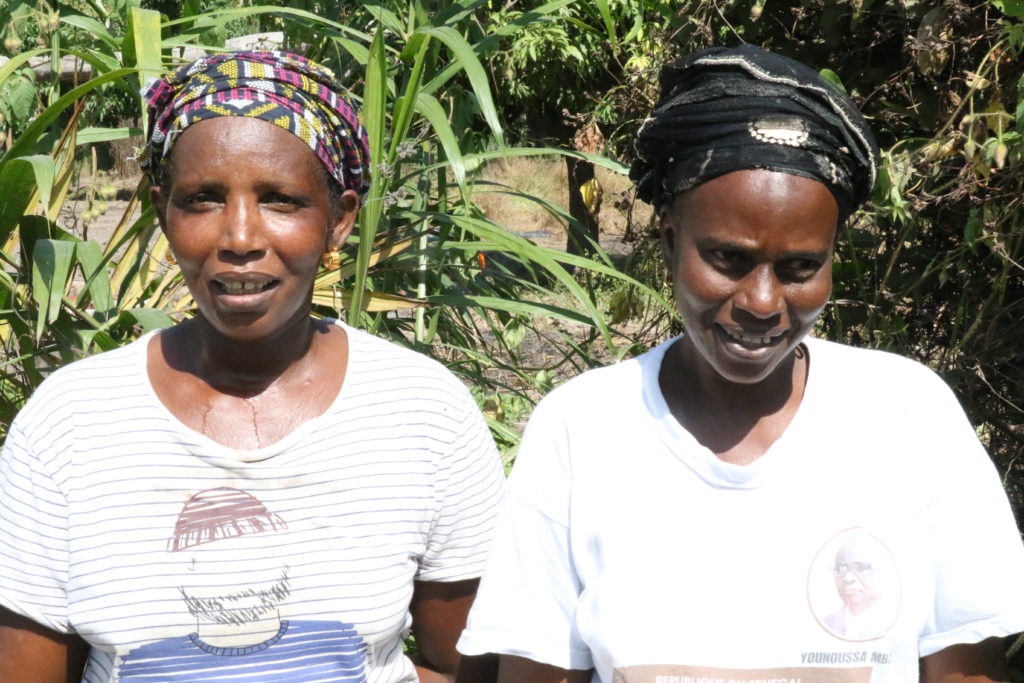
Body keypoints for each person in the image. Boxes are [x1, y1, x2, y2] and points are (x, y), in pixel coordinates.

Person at [457, 45, 1024, 682]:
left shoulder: (905, 413)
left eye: (800, 269)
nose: (761, 303)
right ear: (670, 243)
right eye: (727, 259)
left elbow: (965, 668)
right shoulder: (583, 426)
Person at [0, 51, 504, 683]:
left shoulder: (423, 413)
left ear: (339, 219)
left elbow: (469, 664)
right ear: (164, 213)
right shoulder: (71, 424)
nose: (239, 237)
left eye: (282, 200)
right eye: (203, 200)